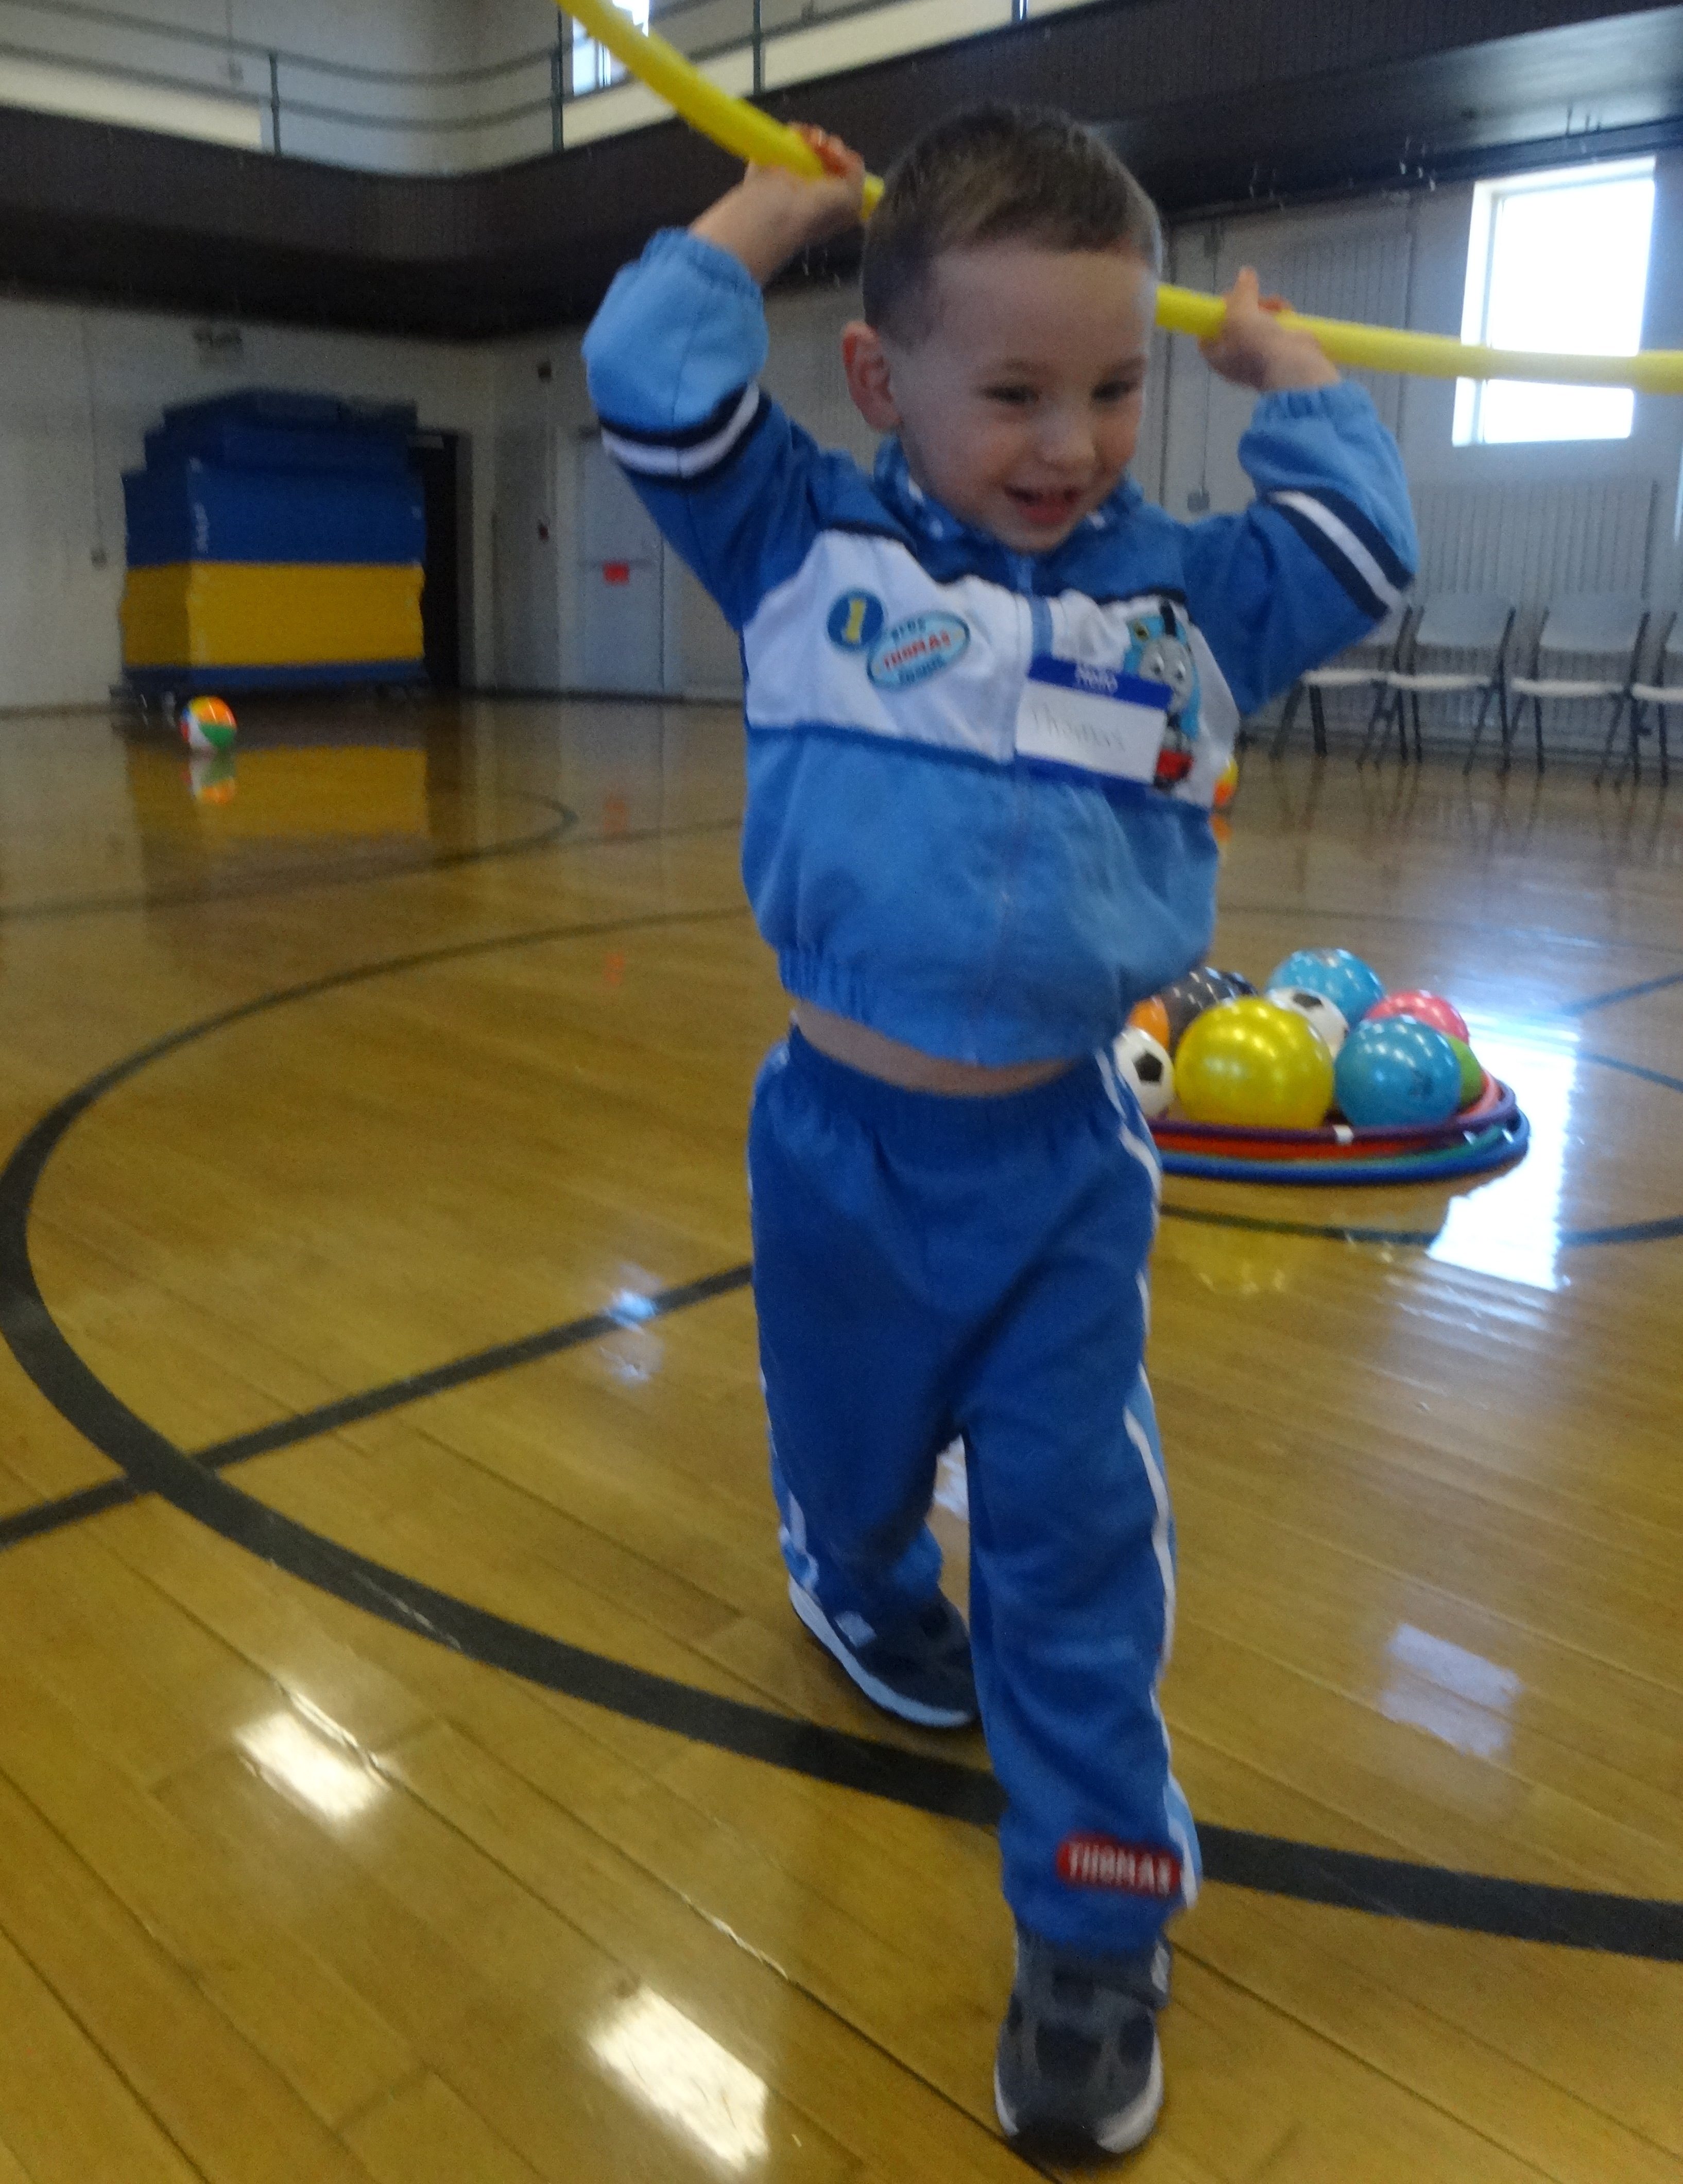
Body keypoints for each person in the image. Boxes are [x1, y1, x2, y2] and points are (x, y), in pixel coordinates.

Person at [582, 105, 1416, 2157]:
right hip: (835, 1158)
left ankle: (1095, 1927)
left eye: (1116, 389)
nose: (1073, 444)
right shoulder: (802, 547)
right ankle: (856, 1574)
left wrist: (1291, 382)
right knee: (852, 1467)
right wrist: (768, 211)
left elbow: (1360, 552)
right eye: (1017, 392)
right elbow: (649, 375)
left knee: (1071, 1550)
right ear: (881, 382)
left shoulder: (1185, 597)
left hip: (1058, 1172)